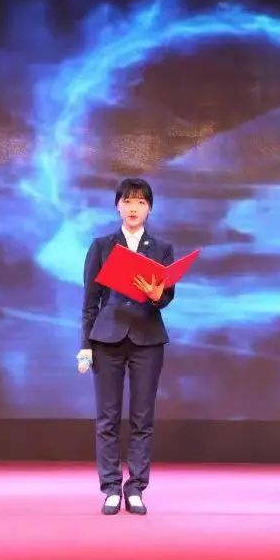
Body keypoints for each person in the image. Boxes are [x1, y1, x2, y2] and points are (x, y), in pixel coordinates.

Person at [77, 178, 174, 515]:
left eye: (141, 202)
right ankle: (110, 487)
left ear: (150, 208)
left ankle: (136, 488)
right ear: (117, 206)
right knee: (107, 418)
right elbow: (90, 300)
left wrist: (157, 295)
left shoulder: (161, 248)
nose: (134, 208)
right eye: (128, 201)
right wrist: (86, 345)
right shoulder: (102, 246)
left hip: (148, 338)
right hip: (107, 339)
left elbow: (167, 297)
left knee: (142, 418)